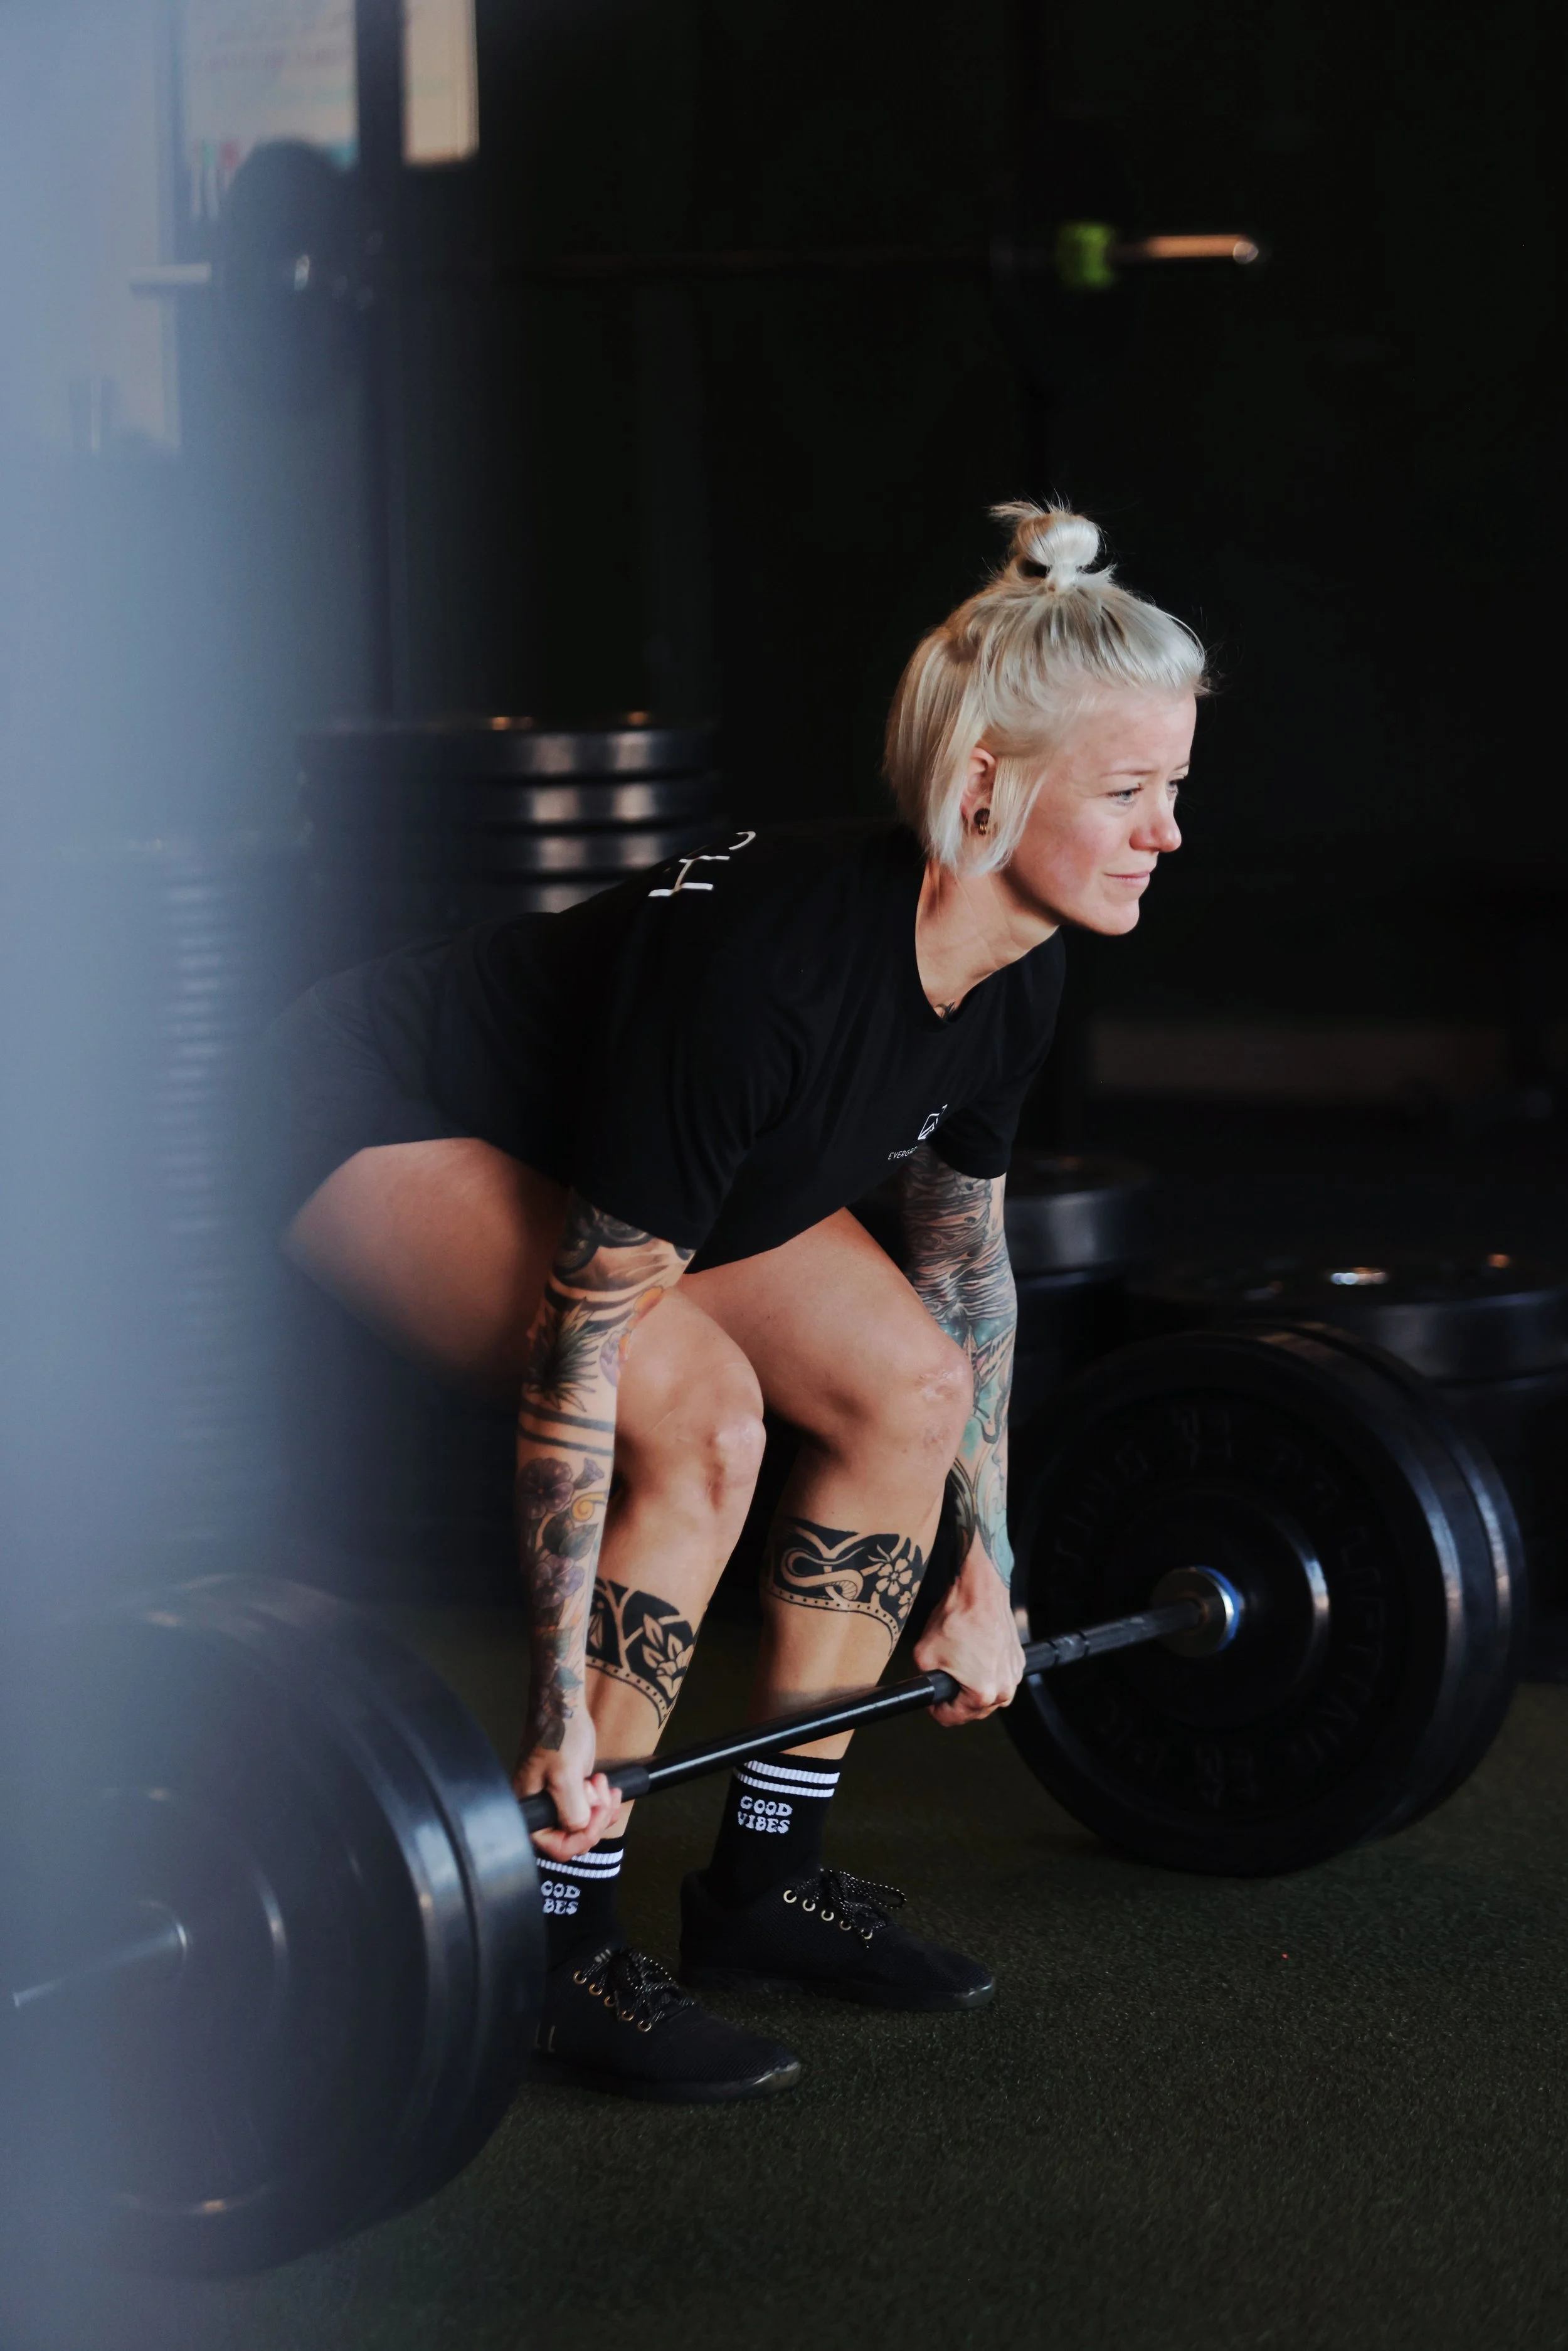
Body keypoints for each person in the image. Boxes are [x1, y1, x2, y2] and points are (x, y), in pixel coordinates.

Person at [268, 502, 1205, 2101]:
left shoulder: (1019, 966)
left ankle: (763, 1886)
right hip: (375, 1103)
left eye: (1170, 791)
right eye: (1125, 794)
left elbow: (965, 1273)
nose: (1163, 834)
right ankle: (556, 1940)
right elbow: (581, 1361)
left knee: (902, 1385)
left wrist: (988, 1565)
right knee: (697, 1411)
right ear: (982, 788)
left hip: (649, 1156)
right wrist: (560, 1708)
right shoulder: (765, 979)